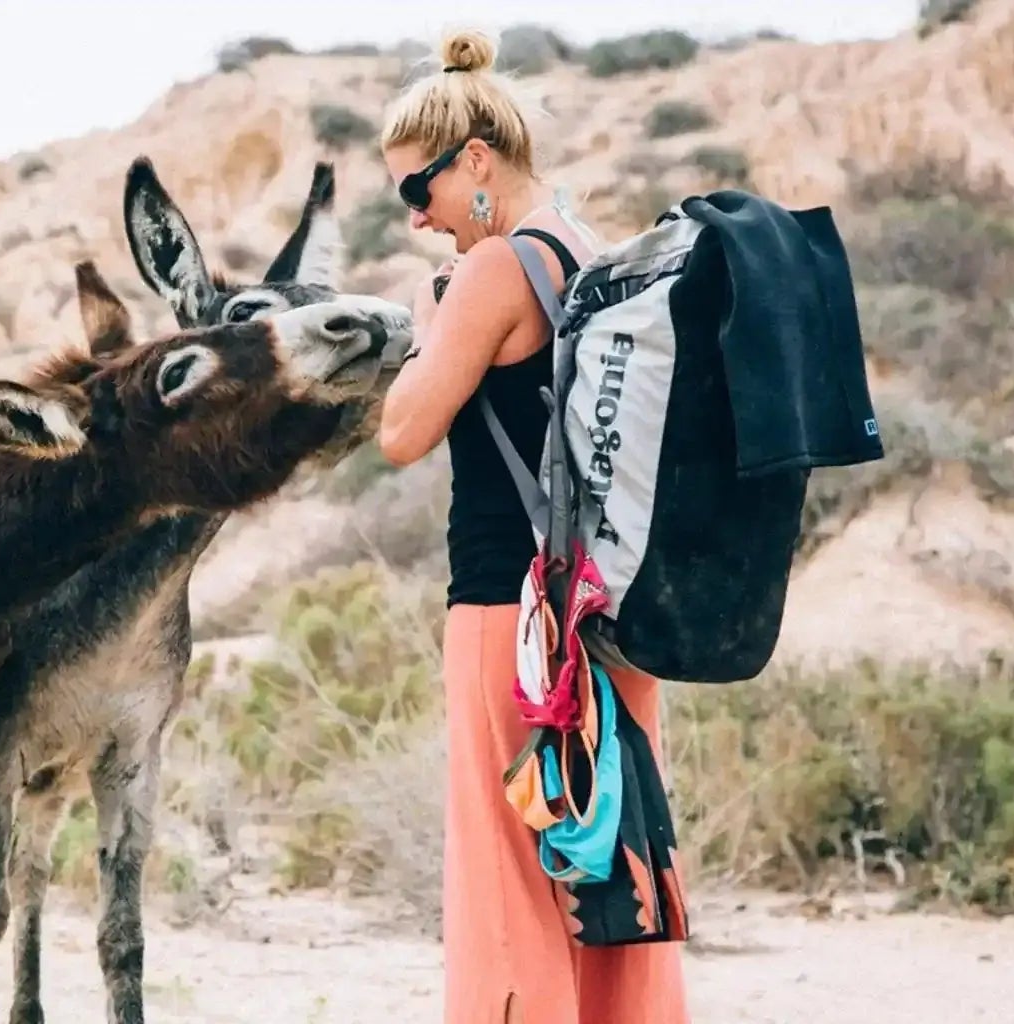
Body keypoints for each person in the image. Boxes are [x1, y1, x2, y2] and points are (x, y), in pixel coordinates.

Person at [370, 28, 691, 1024]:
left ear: (474, 160)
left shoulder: (492, 271)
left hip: (507, 626)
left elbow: (400, 432)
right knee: (613, 880)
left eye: (415, 188)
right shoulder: (587, 253)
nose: (415, 216)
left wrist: (429, 330)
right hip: (602, 620)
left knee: (508, 894)